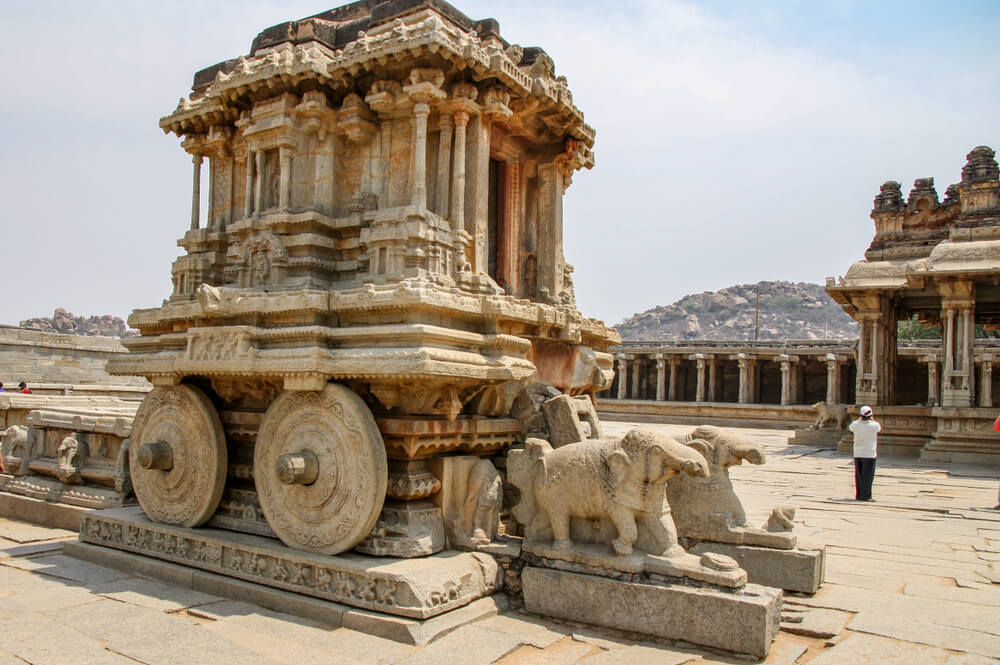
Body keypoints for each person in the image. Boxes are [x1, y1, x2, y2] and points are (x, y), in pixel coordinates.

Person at [849, 405, 880, 502]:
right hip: (869, 453)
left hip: (858, 453)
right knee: (868, 476)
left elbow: (851, 427)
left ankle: (859, 495)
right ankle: (866, 495)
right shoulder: (874, 425)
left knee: (859, 475)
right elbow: (878, 428)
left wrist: (859, 419)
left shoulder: (855, 424)